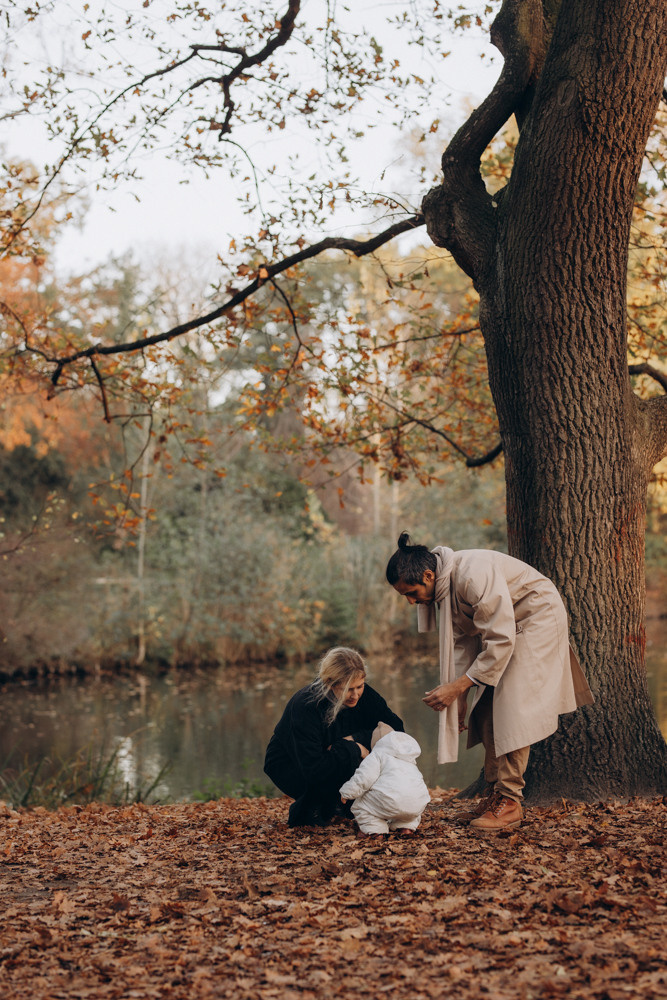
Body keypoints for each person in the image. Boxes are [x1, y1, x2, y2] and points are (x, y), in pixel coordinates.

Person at [386, 533, 594, 832]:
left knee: (512, 709)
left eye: (411, 592)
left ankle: (510, 801)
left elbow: (500, 638)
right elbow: (461, 645)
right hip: (508, 630)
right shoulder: (445, 587)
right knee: (484, 708)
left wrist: (458, 687)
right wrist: (458, 700)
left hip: (536, 619)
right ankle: (496, 793)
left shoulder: (471, 574)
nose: (409, 601)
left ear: (429, 575)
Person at [264, 646, 404, 827]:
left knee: (352, 806)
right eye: (347, 689)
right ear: (329, 684)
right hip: (292, 765)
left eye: (359, 686)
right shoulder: (306, 705)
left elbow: (397, 731)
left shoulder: (365, 694)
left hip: (332, 757)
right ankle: (312, 807)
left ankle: (336, 805)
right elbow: (314, 769)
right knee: (319, 812)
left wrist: (354, 739)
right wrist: (354, 749)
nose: (355, 695)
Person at [339, 722, 431, 837]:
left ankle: (374, 830)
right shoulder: (410, 761)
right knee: (409, 802)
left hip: (390, 802)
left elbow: (364, 777)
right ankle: (405, 827)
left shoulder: (378, 755)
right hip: (417, 805)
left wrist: (348, 792)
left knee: (360, 805)